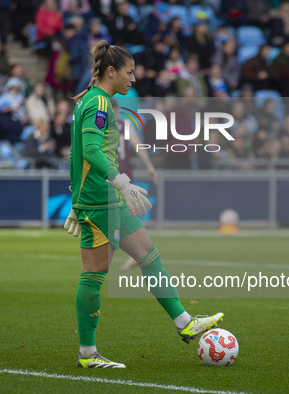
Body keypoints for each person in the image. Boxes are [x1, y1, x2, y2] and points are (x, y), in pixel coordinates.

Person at [64, 40, 224, 369]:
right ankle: (88, 354)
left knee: (145, 255)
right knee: (95, 273)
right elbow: (91, 152)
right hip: (101, 200)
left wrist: (73, 200)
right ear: (111, 72)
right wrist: (120, 182)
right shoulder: (100, 104)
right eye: (129, 72)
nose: (133, 78)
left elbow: (75, 153)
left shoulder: (92, 100)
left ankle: (183, 321)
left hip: (97, 199)